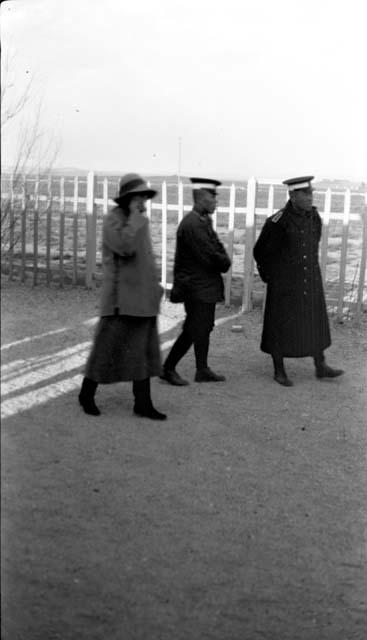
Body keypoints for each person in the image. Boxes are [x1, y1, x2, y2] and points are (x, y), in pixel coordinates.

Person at [78, 173, 167, 420]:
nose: (143, 202)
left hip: (143, 299)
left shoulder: (139, 221)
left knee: (144, 353)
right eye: (139, 197)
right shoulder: (113, 221)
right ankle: (86, 394)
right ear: (127, 198)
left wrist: (155, 287)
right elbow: (124, 249)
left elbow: (145, 259)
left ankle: (143, 403)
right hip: (121, 301)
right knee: (105, 349)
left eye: (144, 198)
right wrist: (136, 221)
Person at [253, 175, 344, 386]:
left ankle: (320, 367)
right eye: (306, 193)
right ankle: (279, 370)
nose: (310, 196)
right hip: (284, 284)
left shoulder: (313, 217)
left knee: (314, 320)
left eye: (311, 192)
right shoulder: (278, 221)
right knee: (280, 324)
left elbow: (312, 245)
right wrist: (271, 276)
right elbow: (261, 251)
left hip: (309, 279)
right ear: (292, 195)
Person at [161, 177, 231, 385]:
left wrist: (222, 258)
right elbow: (211, 255)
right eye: (212, 196)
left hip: (203, 286)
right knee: (194, 329)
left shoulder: (202, 220)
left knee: (203, 327)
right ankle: (168, 368)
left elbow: (217, 248)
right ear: (200, 198)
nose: (215, 201)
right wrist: (224, 261)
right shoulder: (193, 224)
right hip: (196, 287)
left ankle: (202, 369)